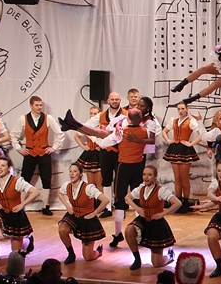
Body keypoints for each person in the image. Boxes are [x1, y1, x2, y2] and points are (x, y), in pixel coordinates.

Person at [60, 105, 156, 249]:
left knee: (120, 200)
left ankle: (74, 125)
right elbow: (151, 139)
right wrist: (129, 135)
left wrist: (115, 135)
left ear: (129, 119)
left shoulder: (125, 131)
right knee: (137, 198)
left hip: (124, 167)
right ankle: (139, 232)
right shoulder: (145, 130)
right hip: (137, 166)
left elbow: (104, 141)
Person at [9, 95, 65, 216]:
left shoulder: (48, 118)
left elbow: (60, 134)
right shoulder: (23, 119)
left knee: (46, 179)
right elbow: (13, 135)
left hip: (44, 152)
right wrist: (18, 148)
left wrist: (54, 147)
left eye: (40, 105)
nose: (39, 107)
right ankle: (21, 205)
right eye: (37, 105)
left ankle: (45, 206)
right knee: (25, 178)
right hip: (30, 152)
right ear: (31, 105)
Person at [0, 156, 39, 262]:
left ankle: (28, 241)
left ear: (9, 168)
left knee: (15, 255)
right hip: (1, 212)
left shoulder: (17, 181)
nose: (0, 168)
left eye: (3, 165)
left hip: (14, 214)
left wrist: (22, 204)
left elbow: (35, 192)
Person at [125, 165, 180, 270]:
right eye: (144, 174)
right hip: (143, 220)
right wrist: (138, 209)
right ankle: (137, 259)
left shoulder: (160, 190)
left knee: (157, 263)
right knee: (129, 230)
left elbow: (177, 203)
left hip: (156, 223)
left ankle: (170, 256)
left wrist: (163, 213)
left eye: (149, 175)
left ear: (155, 177)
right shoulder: (141, 188)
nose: (146, 177)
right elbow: (127, 197)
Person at [57, 163, 110, 265]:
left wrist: (94, 213)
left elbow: (105, 200)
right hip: (74, 215)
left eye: (75, 171)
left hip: (86, 219)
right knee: (62, 229)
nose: (72, 174)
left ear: (81, 174)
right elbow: (59, 193)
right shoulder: (67, 186)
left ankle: (98, 252)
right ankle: (71, 254)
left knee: (88, 257)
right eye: (70, 171)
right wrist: (67, 206)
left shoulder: (88, 188)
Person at [163, 101, 202, 211]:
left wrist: (191, 143)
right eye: (179, 109)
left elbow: (202, 134)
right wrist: (168, 140)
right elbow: (164, 131)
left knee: (184, 178)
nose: (180, 111)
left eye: (182, 109)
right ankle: (178, 202)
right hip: (174, 148)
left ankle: (186, 201)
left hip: (185, 149)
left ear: (187, 109)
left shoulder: (191, 121)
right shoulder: (173, 120)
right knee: (177, 178)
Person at [73, 105, 103, 188]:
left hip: (100, 155)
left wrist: (102, 147)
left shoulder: (102, 126)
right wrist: (83, 146)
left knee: (100, 183)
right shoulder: (87, 125)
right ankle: (92, 196)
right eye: (91, 113)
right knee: (91, 183)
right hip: (89, 155)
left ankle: (101, 197)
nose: (92, 115)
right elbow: (76, 136)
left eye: (95, 113)